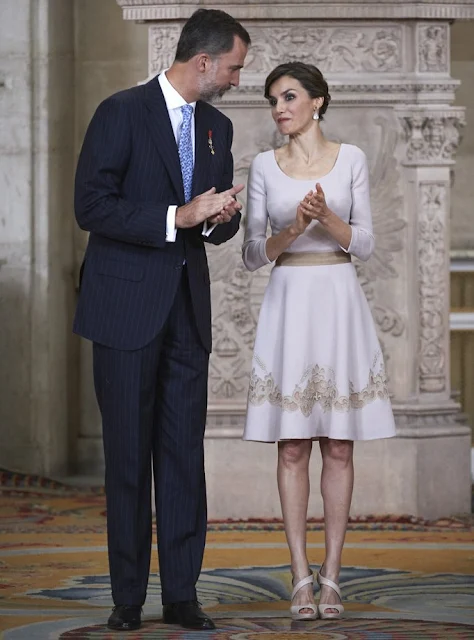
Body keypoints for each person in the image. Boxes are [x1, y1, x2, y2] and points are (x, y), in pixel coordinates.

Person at [74, 9, 250, 632]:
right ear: (203, 61)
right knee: (127, 458)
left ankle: (181, 594)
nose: (235, 80)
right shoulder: (120, 111)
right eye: (232, 68)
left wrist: (220, 219)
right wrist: (176, 215)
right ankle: (127, 600)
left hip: (185, 315)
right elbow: (90, 205)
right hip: (123, 311)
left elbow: (209, 224)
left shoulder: (218, 128)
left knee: (182, 457)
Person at [242, 62, 396, 621]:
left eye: (288, 97)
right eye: (272, 100)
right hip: (289, 300)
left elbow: (368, 244)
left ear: (318, 102)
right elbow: (252, 253)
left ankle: (332, 575)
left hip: (337, 298)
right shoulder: (264, 165)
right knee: (291, 445)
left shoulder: (350, 158)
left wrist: (326, 217)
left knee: (337, 443)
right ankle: (299, 577)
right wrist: (292, 229)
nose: (279, 108)